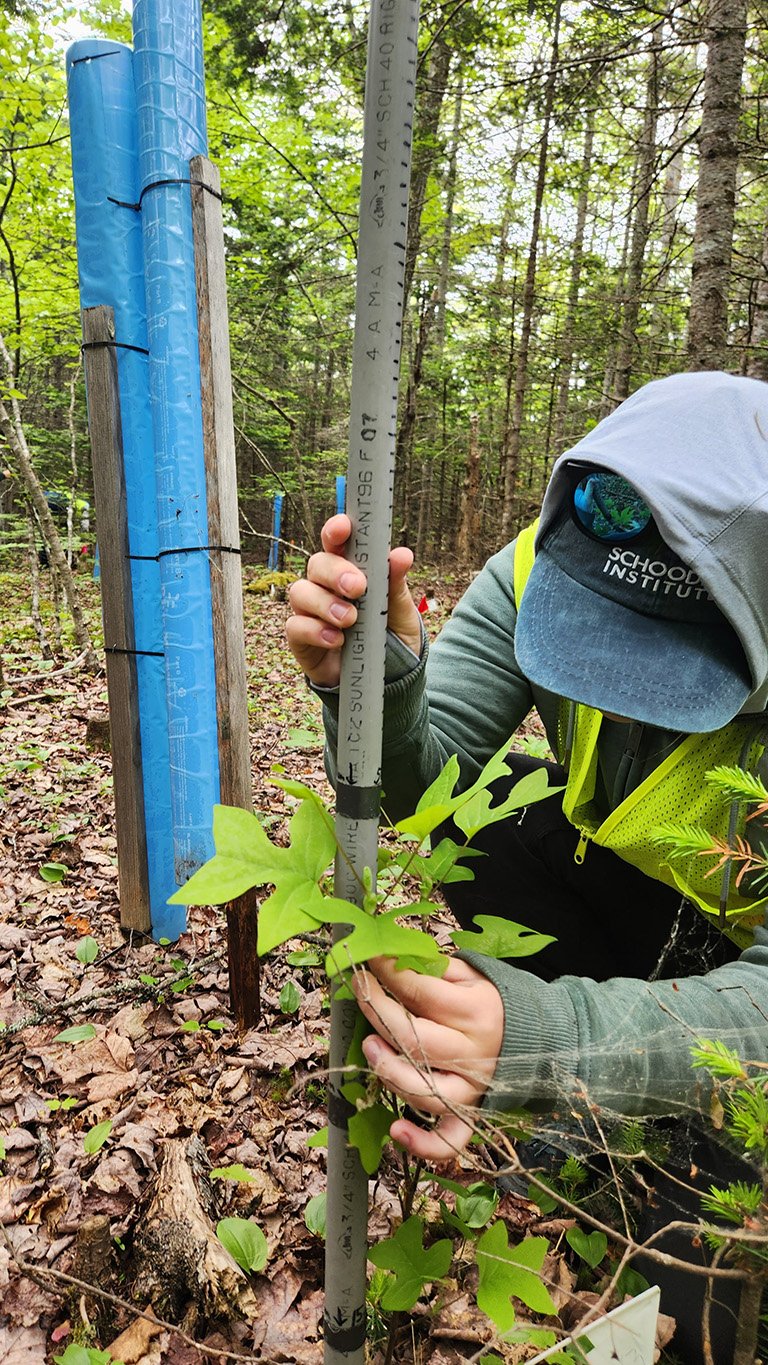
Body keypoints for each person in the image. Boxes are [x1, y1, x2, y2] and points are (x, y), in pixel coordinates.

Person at [286, 371, 768, 1357]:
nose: (624, 698)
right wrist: (376, 684)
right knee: (492, 823)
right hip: (637, 903)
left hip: (744, 973)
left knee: (700, 1290)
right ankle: (585, 1121)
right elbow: (435, 787)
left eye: (669, 663)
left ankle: (651, 1131)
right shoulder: (549, 561)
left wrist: (560, 1039)